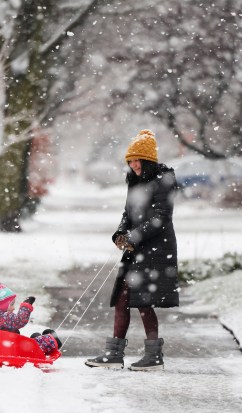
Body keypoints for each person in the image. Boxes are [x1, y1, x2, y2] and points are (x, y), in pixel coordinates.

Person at [86, 129, 179, 371]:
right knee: (122, 299)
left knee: (143, 300)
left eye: (138, 159)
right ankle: (115, 354)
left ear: (148, 160)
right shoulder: (135, 182)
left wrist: (134, 236)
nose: (134, 164)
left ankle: (153, 357)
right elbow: (128, 214)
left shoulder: (163, 181)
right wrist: (120, 234)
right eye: (131, 160)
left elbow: (162, 218)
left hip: (155, 249)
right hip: (135, 247)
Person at [0, 277, 61, 355]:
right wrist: (26, 305)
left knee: (27, 341)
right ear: (2, 306)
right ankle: (52, 340)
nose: (13, 308)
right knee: (32, 346)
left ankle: (37, 338)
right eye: (11, 304)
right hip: (10, 351)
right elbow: (20, 320)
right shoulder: (2, 318)